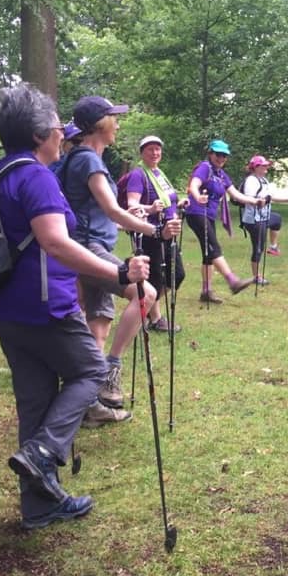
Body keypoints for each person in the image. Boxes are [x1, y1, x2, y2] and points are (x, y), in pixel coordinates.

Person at [0, 84, 151, 529]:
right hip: (43, 306)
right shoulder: (36, 175)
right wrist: (117, 274)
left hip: (2, 308)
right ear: (40, 134)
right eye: (58, 127)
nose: (63, 133)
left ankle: (39, 505)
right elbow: (55, 243)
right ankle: (42, 453)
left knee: (35, 400)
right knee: (92, 371)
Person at [62, 96, 180, 425]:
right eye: (113, 117)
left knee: (98, 325)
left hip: (87, 244)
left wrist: (136, 215)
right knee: (146, 294)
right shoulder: (88, 160)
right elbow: (112, 210)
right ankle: (111, 369)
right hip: (90, 250)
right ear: (99, 123)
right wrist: (155, 231)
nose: (117, 123)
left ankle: (88, 405)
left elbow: (103, 213)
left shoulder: (81, 158)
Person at [184, 140, 262, 303]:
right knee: (213, 248)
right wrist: (198, 197)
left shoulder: (221, 174)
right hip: (197, 212)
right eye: (218, 154)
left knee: (208, 254)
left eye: (224, 156)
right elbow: (193, 185)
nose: (221, 158)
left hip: (209, 215)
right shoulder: (205, 167)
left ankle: (206, 292)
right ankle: (232, 281)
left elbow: (235, 195)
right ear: (211, 153)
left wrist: (255, 201)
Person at [125, 135, 187, 331]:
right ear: (142, 152)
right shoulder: (138, 174)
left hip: (168, 231)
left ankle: (144, 307)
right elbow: (132, 205)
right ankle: (156, 319)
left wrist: (179, 204)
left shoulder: (159, 173)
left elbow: (168, 199)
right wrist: (150, 209)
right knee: (156, 278)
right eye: (150, 149)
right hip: (150, 232)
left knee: (177, 274)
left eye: (158, 149)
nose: (155, 153)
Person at [239, 155, 288, 284]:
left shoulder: (264, 180)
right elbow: (250, 199)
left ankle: (273, 247)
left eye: (266, 165)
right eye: (263, 165)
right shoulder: (251, 181)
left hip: (264, 217)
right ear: (256, 167)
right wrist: (264, 201)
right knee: (258, 248)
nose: (266, 167)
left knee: (276, 219)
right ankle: (256, 277)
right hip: (253, 220)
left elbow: (272, 197)